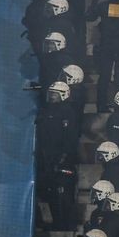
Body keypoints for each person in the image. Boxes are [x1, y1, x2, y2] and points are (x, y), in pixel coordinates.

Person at [36, 81, 79, 229]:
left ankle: (63, 224)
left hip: (60, 158)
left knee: (62, 193)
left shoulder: (68, 112)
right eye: (50, 94)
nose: (51, 97)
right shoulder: (45, 111)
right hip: (46, 157)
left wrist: (63, 157)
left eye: (55, 94)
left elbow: (70, 137)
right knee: (48, 190)